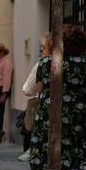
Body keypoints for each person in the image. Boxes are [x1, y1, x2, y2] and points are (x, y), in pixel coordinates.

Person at [26, 26, 86, 170]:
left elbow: (40, 89)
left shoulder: (46, 63)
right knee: (77, 153)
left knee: (49, 153)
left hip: (50, 118)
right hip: (78, 118)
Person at [16, 35, 52, 163]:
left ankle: (32, 152)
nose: (41, 51)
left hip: (46, 109)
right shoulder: (83, 64)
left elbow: (28, 89)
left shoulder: (43, 64)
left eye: (43, 48)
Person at [0, 44, 14, 143]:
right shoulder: (0, 62)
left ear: (2, 52)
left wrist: (4, 94)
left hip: (1, 89)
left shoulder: (6, 62)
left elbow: (7, 78)